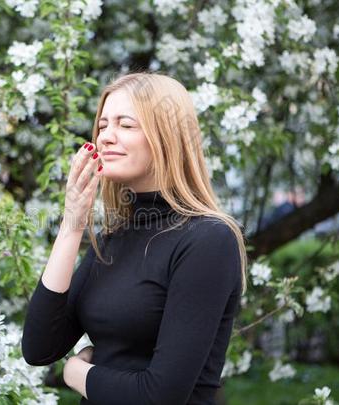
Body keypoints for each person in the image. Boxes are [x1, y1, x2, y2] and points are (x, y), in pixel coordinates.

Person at [21, 72, 248, 405]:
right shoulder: (113, 237)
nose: (106, 138)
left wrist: (77, 374)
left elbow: (160, 396)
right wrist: (72, 225)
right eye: (102, 126)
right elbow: (39, 347)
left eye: (125, 125)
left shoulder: (208, 240)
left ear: (167, 137)